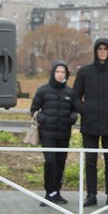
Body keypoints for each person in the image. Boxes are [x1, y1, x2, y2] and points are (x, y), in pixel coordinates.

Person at [72, 38, 108, 207]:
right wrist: (85, 110)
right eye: (99, 49)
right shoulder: (85, 72)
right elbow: (75, 96)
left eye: (105, 49)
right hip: (90, 123)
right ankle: (91, 194)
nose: (102, 51)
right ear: (95, 51)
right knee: (90, 160)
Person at [30, 60, 78, 204]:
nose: (60, 74)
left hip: (64, 133)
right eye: (57, 71)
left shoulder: (70, 92)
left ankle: (56, 191)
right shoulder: (43, 90)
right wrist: (43, 118)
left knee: (60, 163)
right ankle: (48, 192)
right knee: (50, 161)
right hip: (47, 133)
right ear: (53, 73)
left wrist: (72, 118)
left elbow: (75, 110)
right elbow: (33, 109)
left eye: (63, 72)